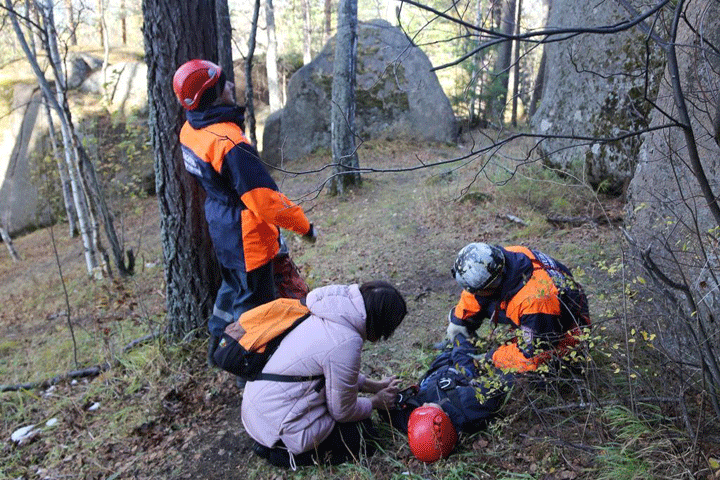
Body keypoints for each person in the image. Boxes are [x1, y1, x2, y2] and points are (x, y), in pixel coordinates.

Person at [172, 59, 317, 364]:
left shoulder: (190, 130)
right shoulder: (229, 142)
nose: (228, 86)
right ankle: (247, 366)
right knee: (257, 308)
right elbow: (265, 200)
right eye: (221, 84)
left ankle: (216, 348)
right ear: (212, 95)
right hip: (247, 236)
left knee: (231, 289)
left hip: (222, 228)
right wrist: (304, 226)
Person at [241, 281, 407, 468]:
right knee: (364, 435)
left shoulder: (329, 313)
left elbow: (334, 373)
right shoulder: (346, 342)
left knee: (358, 420)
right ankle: (283, 456)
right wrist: (376, 402)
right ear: (380, 323)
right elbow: (343, 411)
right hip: (278, 429)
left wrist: (374, 385)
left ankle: (276, 445)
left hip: (260, 412)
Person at [444, 243, 591, 373]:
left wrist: (492, 358)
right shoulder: (503, 258)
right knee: (480, 302)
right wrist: (459, 321)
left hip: (565, 330)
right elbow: (475, 293)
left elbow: (534, 355)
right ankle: (467, 337)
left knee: (531, 371)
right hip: (541, 311)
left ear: (494, 283)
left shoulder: (535, 302)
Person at [382, 334, 514, 463]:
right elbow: (502, 383)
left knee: (444, 355)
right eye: (429, 408)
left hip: (434, 371)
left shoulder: (417, 423)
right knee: (460, 344)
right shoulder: (468, 406)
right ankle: (459, 338)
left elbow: (385, 409)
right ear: (442, 419)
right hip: (458, 370)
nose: (425, 404)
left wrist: (385, 393)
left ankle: (448, 347)